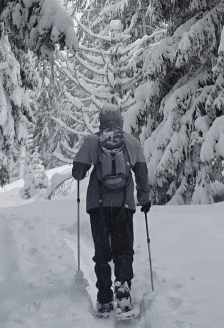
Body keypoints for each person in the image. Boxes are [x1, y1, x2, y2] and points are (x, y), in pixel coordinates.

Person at [73, 104, 150, 317]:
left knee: (102, 252)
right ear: (119, 120)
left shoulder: (92, 141)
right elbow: (142, 173)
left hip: (97, 206)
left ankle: (105, 298)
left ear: (101, 120)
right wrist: (144, 198)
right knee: (123, 249)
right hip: (124, 205)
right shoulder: (131, 142)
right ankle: (123, 288)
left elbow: (77, 173)